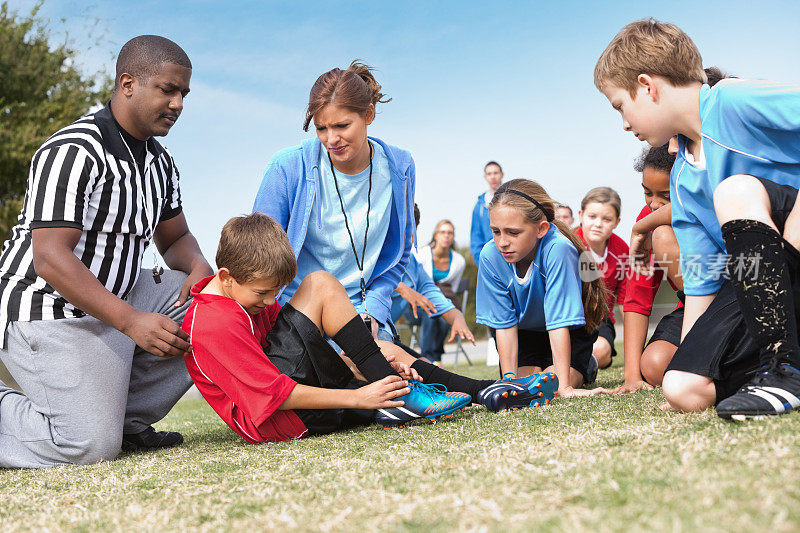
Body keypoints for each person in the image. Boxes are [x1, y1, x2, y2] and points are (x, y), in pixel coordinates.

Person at [0, 36, 213, 468]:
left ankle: (127, 424)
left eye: (183, 94)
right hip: (45, 308)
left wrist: (198, 265)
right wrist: (131, 321)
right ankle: (90, 428)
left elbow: (174, 239)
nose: (178, 104)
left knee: (209, 305)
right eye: (167, 90)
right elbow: (51, 258)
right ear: (128, 83)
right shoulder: (74, 150)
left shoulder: (161, 163)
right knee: (87, 446)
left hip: (113, 305)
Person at [596, 19, 800, 418]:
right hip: (776, 284)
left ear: (647, 86)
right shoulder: (683, 181)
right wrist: (694, 352)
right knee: (682, 386)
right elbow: (701, 289)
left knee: (735, 192)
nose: (623, 122)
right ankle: (780, 365)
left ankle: (784, 370)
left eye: (621, 105)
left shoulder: (731, 101)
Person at [185, 214, 532, 438]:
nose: (268, 301)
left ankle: (481, 390)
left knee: (382, 351)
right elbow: (274, 394)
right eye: (262, 293)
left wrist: (357, 368)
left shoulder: (246, 296)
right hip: (280, 421)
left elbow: (296, 355)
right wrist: (359, 395)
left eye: (273, 293)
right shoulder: (215, 321)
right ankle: (394, 396)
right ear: (227, 277)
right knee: (319, 283)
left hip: (298, 403)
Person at [253, 61, 410, 343]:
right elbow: (257, 257)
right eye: (321, 128)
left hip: (362, 317)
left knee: (394, 379)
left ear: (369, 115)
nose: (332, 139)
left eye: (342, 125)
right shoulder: (287, 168)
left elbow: (398, 255)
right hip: (296, 317)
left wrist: (374, 310)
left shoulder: (401, 167)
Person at [477, 179, 610, 398]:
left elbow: (559, 322)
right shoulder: (490, 256)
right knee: (525, 389)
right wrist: (508, 383)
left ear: (541, 229)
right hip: (525, 333)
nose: (502, 242)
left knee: (552, 386)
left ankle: (586, 363)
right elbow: (504, 325)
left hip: (568, 330)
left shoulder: (558, 249)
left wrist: (566, 387)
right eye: (496, 232)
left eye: (513, 232)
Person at [617, 144, 683, 393]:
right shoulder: (646, 220)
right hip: (688, 309)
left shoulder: (711, 208)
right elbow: (637, 297)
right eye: (647, 192)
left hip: (726, 304)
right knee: (654, 367)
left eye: (665, 196)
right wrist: (632, 375)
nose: (654, 205)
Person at [392, 206, 475, 360]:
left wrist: (457, 318)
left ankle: (432, 358)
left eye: (408, 232)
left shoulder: (415, 268)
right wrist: (401, 288)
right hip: (359, 338)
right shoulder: (367, 261)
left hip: (386, 339)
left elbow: (436, 295)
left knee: (427, 368)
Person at [575, 187, 628, 370]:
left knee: (601, 350)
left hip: (600, 318)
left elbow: (624, 301)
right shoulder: (568, 245)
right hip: (570, 318)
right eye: (592, 216)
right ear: (581, 215)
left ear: (616, 222)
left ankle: (587, 368)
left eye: (606, 219)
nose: (598, 224)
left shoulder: (622, 251)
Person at [415, 219, 468, 363]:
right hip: (417, 304)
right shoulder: (422, 254)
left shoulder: (459, 261)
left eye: (450, 233)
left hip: (444, 299)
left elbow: (454, 288)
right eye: (443, 232)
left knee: (443, 315)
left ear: (453, 236)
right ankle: (427, 357)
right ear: (435, 235)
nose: (446, 236)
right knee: (431, 313)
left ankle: (435, 358)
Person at [470, 161, 504, 262]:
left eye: (495, 173)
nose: (493, 177)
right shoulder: (479, 206)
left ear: (501, 175)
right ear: (485, 177)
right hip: (490, 261)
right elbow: (475, 237)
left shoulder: (512, 199)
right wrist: (481, 263)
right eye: (489, 174)